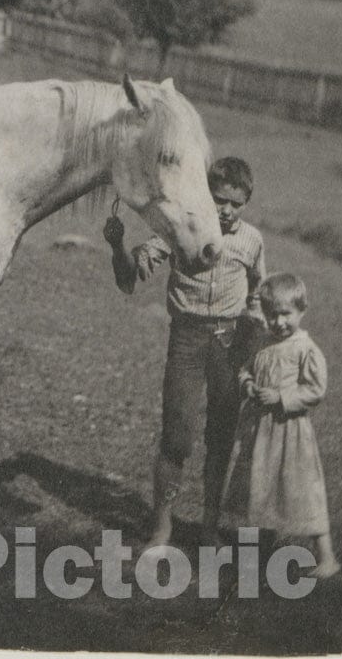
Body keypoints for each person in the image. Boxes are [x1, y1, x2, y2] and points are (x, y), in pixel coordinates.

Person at [103, 156, 265, 549]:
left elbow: (259, 293)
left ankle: (209, 526)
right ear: (204, 195)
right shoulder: (181, 231)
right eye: (218, 200)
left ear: (246, 202)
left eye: (235, 203)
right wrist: (118, 244)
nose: (225, 210)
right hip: (188, 341)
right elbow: (131, 276)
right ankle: (162, 528)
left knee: (222, 436)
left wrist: (256, 345)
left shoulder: (252, 241)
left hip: (231, 344)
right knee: (177, 437)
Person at [221, 272, 339, 578]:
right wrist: (247, 384)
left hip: (290, 432)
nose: (279, 322)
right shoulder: (262, 341)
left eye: (286, 314)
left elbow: (315, 390)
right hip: (259, 431)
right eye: (272, 315)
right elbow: (246, 369)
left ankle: (326, 557)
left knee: (303, 490)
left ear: (302, 311)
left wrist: (281, 397)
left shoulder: (305, 349)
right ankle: (258, 552)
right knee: (259, 486)